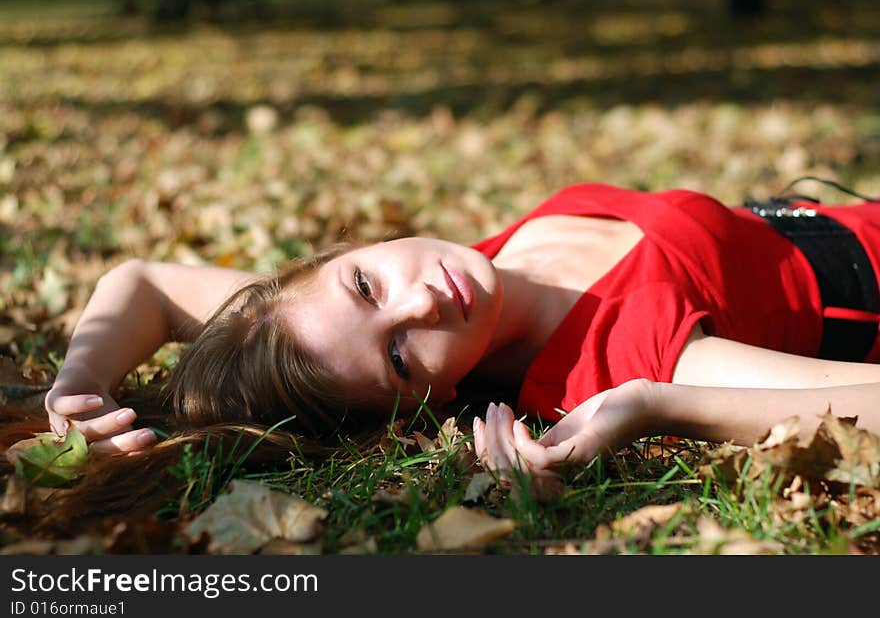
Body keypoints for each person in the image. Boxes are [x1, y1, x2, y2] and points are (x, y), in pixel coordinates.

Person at [40, 180, 880, 483]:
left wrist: (76, 386)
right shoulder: (624, 353)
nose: (421, 305)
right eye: (399, 355)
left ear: (341, 254)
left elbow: (141, 281)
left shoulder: (462, 271)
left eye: (365, 282)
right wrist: (659, 404)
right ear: (430, 400)